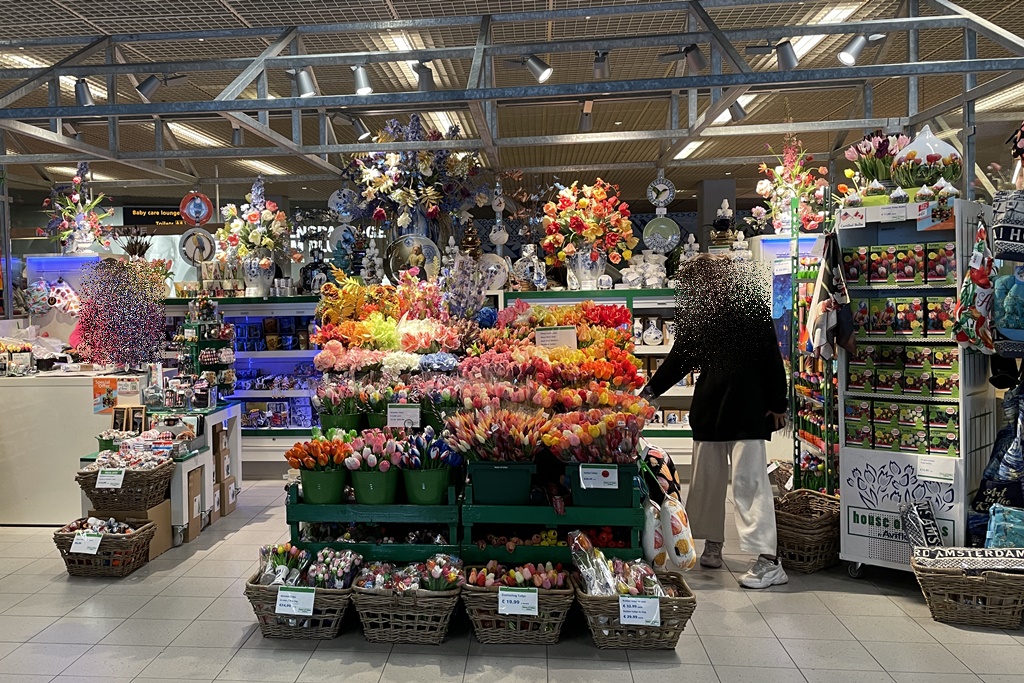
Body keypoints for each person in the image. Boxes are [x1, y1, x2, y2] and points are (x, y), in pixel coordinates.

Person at [640, 255, 789, 589]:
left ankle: (769, 560)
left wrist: (779, 402)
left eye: (698, 286)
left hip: (749, 411)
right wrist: (648, 391)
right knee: (706, 484)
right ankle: (711, 544)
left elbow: (770, 356)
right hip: (709, 411)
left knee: (749, 484)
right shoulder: (700, 314)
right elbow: (680, 360)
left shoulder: (750, 307)